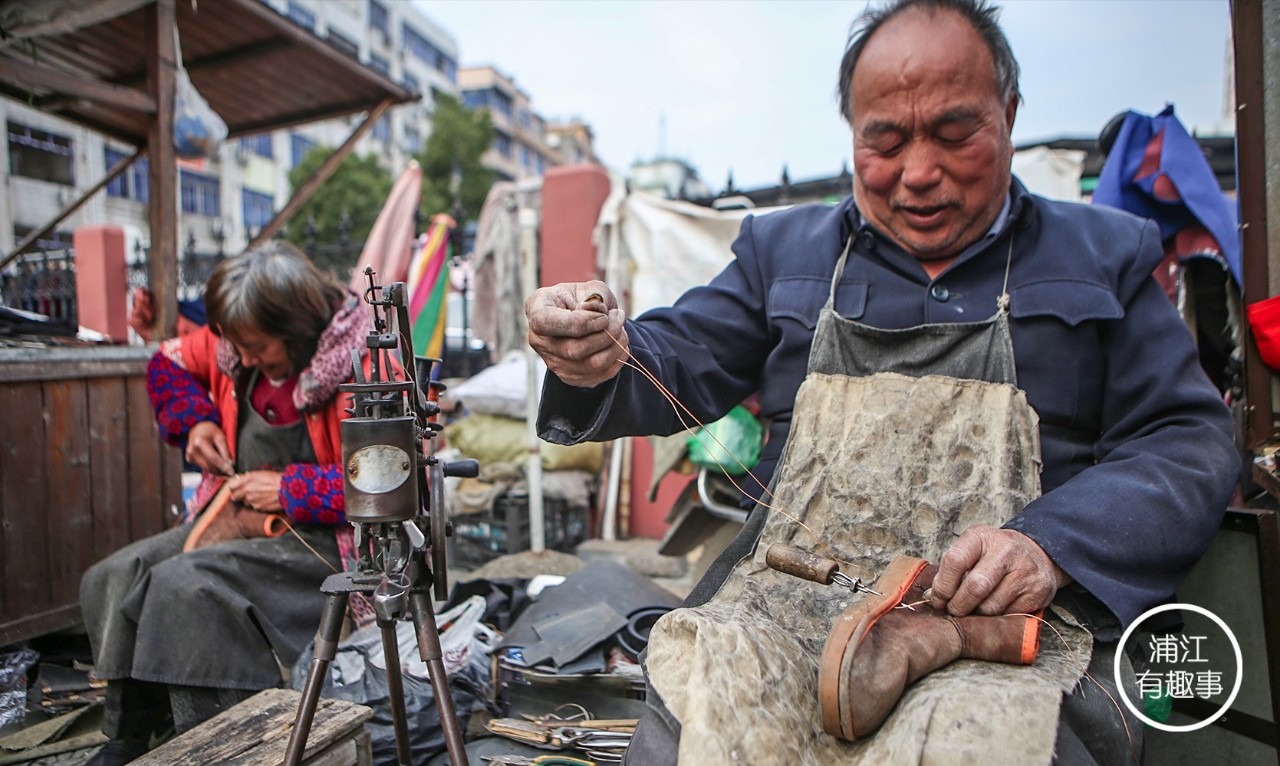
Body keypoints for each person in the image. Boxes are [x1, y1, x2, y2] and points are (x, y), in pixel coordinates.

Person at [525, 0, 1239, 762]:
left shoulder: (1105, 254)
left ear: (1010, 112)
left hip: (1014, 636)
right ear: (853, 132)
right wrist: (600, 350)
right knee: (700, 713)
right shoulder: (781, 249)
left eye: (955, 132)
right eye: (886, 141)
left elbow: (1185, 438)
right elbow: (677, 353)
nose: (919, 173)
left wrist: (1048, 547)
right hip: (786, 611)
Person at [80, 242, 372, 765]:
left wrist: (290, 490)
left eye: (259, 347)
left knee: (186, 589)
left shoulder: (364, 365)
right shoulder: (235, 344)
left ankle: (224, 739)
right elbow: (167, 361)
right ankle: (133, 731)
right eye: (237, 344)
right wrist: (195, 420)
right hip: (236, 517)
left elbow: (392, 484)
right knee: (117, 573)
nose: (245, 358)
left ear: (297, 330)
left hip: (332, 545)